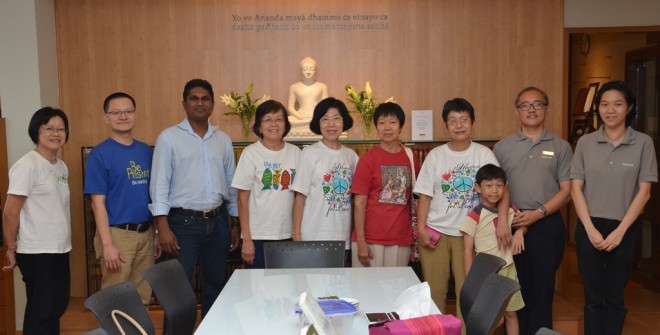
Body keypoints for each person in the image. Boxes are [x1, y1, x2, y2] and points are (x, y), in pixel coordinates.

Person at [571, 80, 657, 335]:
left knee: (616, 295)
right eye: (605, 104)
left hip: (626, 226)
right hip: (589, 225)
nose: (610, 110)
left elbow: (644, 192)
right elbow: (576, 189)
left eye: (618, 104)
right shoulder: (586, 143)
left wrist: (620, 232)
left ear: (629, 107)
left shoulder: (643, 143)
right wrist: (590, 230)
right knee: (593, 297)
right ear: (598, 108)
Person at [149, 79, 240, 318]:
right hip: (182, 225)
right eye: (194, 98)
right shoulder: (168, 138)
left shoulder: (223, 140)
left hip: (219, 222)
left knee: (215, 287)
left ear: (212, 104)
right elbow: (159, 184)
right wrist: (162, 228)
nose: (200, 103)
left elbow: (231, 185)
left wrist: (235, 223)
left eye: (205, 99)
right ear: (185, 103)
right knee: (178, 291)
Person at [413, 98, 509, 323]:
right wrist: (420, 229)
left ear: (472, 123)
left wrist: (503, 221)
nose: (459, 125)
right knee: (434, 293)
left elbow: (503, 189)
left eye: (464, 120)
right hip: (436, 231)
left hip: (471, 235)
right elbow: (424, 197)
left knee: (467, 294)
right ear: (446, 125)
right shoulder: (435, 155)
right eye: (453, 121)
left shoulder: (484, 154)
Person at [493, 86, 573, 334]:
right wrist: (507, 221)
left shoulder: (561, 147)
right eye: (525, 105)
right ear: (517, 111)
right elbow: (494, 189)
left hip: (546, 225)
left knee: (542, 288)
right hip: (510, 224)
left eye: (537, 104)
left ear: (546, 109)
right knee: (512, 288)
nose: (531, 109)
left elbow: (567, 191)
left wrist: (538, 213)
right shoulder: (502, 147)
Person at [84, 92, 157, 305]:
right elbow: (98, 204)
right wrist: (107, 245)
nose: (123, 116)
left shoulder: (146, 151)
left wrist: (156, 232)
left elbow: (153, 195)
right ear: (106, 117)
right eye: (116, 112)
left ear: (135, 114)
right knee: (115, 300)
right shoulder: (99, 154)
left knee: (142, 298)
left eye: (128, 111)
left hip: (146, 234)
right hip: (117, 235)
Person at [3, 107, 71, 335]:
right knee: (41, 312)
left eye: (61, 129)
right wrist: (11, 247)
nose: (56, 133)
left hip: (60, 248)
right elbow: (10, 212)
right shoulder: (27, 165)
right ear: (36, 131)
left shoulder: (61, 166)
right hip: (36, 250)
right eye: (49, 128)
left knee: (56, 308)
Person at [231, 100, 301, 269]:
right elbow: (242, 200)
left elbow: (301, 196)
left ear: (285, 124)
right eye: (268, 119)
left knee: (286, 289)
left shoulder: (296, 153)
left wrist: (298, 234)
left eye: (279, 119)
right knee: (259, 288)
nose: (274, 124)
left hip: (288, 234)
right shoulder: (250, 154)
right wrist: (246, 239)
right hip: (258, 236)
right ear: (259, 126)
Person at [351, 102, 419, 267]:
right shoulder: (368, 159)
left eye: (392, 122)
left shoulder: (410, 157)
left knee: (396, 290)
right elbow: (359, 203)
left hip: (401, 237)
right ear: (376, 127)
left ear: (401, 126)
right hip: (370, 238)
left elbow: (417, 198)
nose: (387, 127)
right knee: (364, 290)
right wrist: (361, 241)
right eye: (382, 123)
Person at [461, 164, 525, 335]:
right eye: (489, 186)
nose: (495, 190)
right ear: (478, 188)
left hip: (508, 269)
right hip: (486, 274)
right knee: (489, 317)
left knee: (511, 314)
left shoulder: (511, 209)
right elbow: (467, 250)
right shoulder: (474, 216)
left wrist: (519, 232)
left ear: (505, 188)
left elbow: (523, 224)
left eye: (499, 185)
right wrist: (471, 280)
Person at [291, 97, 359, 261]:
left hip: (342, 236)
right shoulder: (309, 154)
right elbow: (299, 198)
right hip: (313, 236)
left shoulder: (351, 156)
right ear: (318, 123)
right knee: (314, 286)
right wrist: (296, 235)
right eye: (325, 119)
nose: (331, 124)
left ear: (344, 122)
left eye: (336, 119)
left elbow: (358, 198)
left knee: (338, 285)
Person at [287, 56, 329, 136]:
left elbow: (325, 107)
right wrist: (299, 117)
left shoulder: (322, 86)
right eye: (305, 69)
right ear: (301, 71)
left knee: (327, 121)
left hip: (316, 117)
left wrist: (316, 115)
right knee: (288, 121)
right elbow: (290, 108)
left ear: (315, 71)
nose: (308, 72)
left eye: (311, 69)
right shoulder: (294, 87)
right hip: (300, 118)